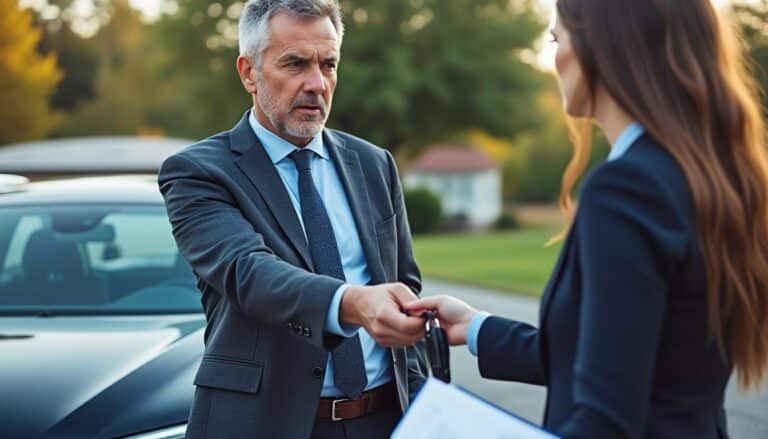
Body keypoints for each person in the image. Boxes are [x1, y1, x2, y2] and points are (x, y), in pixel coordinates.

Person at [405, 1, 768, 438]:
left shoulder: (627, 188)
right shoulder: (708, 177)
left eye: (557, 38)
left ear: (601, 45)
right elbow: (624, 358)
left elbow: (605, 421)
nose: (555, 57)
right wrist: (476, 326)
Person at [158, 1, 428, 438]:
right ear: (249, 72)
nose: (317, 84)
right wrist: (352, 304)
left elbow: (404, 285)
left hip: (384, 419)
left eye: (329, 64)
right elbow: (248, 272)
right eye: (296, 64)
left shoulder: (373, 163)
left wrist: (422, 399)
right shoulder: (198, 172)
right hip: (266, 424)